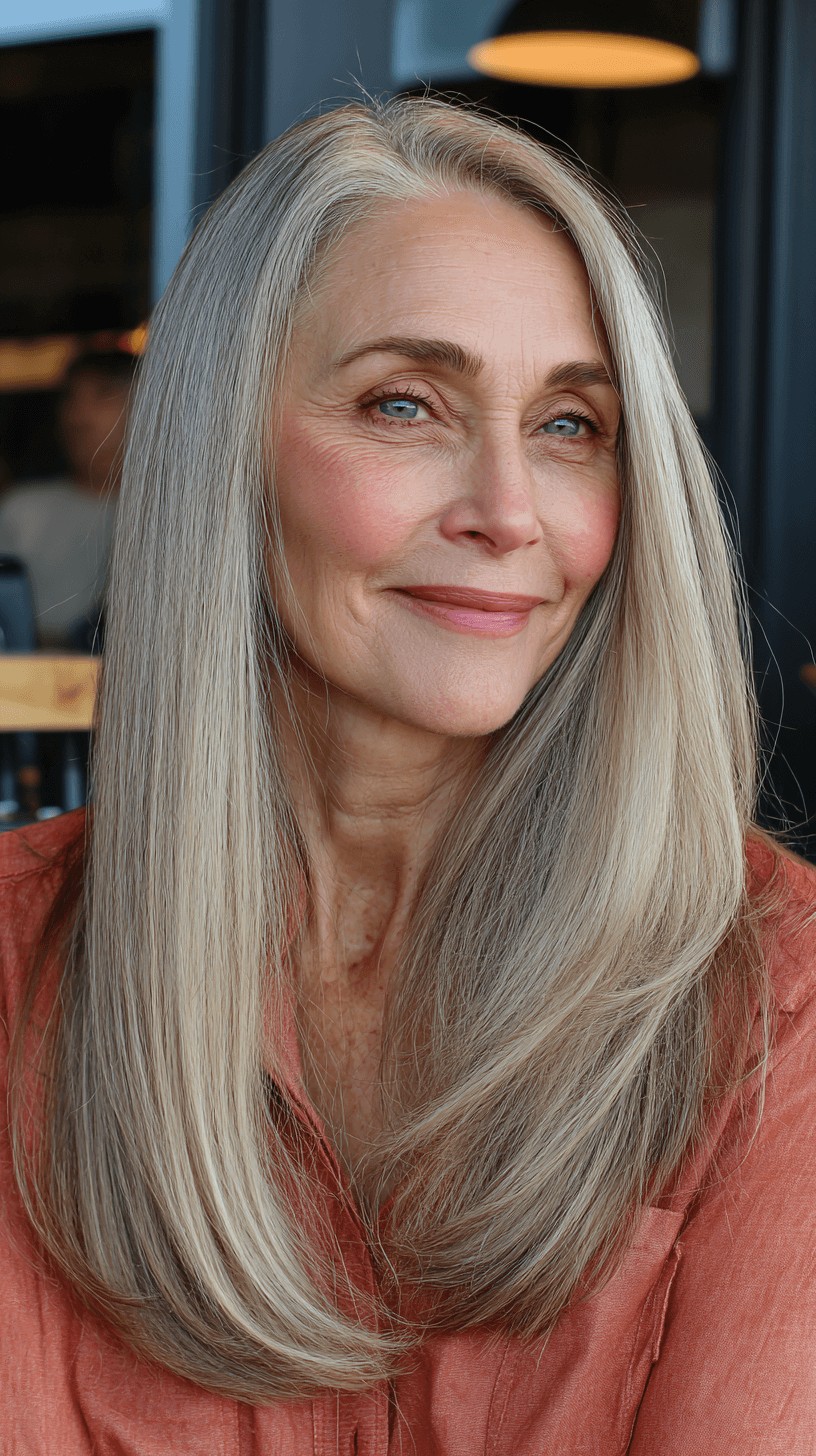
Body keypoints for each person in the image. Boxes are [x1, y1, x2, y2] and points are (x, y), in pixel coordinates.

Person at [1, 97, 814, 1453]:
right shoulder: (16, 964)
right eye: (405, 404)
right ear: (224, 452)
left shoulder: (777, 1002)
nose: (509, 508)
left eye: (571, 424)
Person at [0, 349, 134, 649]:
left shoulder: (168, 519)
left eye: (104, 395)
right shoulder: (21, 510)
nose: (78, 416)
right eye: (71, 398)